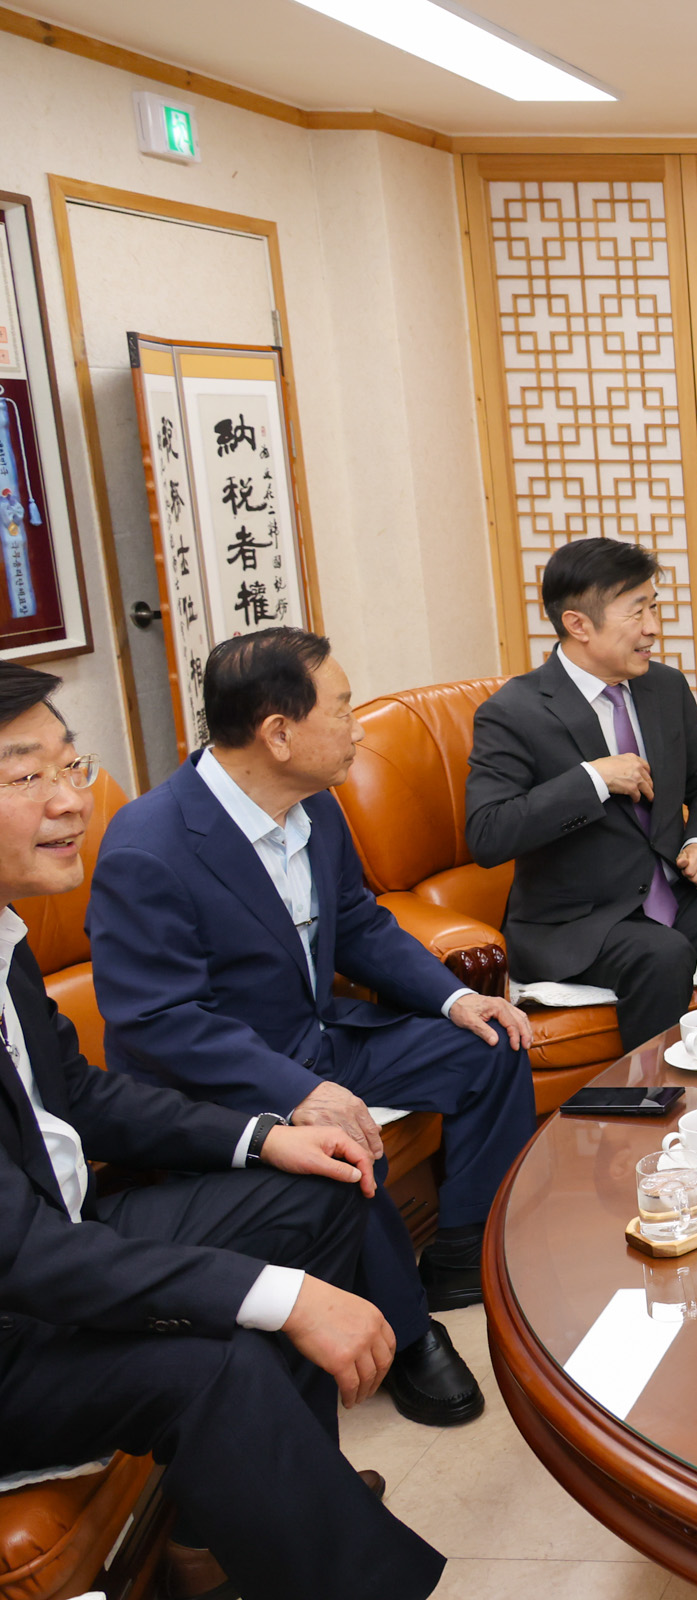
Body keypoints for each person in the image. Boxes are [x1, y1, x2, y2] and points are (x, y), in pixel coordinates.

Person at [0, 660, 445, 1600]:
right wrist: (284, 1296)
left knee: (319, 1188)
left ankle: (249, 1521)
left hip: (60, 1239)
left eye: (71, 765)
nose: (72, 800)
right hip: (15, 1322)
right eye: (26, 775)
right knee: (220, 1362)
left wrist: (264, 1136)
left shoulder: (5, 939)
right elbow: (25, 1257)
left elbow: (78, 1092)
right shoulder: (150, 848)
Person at [89, 629, 534, 1430]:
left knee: (492, 1045)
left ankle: (463, 1256)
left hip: (318, 1034)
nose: (358, 728)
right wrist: (299, 1093)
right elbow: (160, 1021)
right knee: (338, 1152)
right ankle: (407, 1335)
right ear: (278, 733)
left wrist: (452, 1000)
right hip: (220, 1082)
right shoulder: (149, 846)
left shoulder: (314, 807)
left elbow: (357, 924)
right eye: (342, 709)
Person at [466, 537, 697, 1055]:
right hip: (579, 922)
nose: (653, 628)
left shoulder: (665, 688)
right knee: (661, 954)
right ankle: (653, 1094)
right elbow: (488, 834)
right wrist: (594, 780)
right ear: (578, 624)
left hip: (672, 896)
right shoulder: (514, 712)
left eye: (654, 607)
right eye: (637, 611)